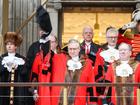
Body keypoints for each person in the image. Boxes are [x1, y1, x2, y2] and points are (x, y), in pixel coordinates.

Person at [51, 39, 97, 105]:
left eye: (74, 49)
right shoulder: (60, 59)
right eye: (70, 49)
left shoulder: (87, 63)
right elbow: (48, 54)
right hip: (63, 100)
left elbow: (91, 84)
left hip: (79, 101)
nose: (72, 51)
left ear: (79, 49)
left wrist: (91, 102)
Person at [30, 6, 53, 105]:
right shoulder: (34, 47)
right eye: (40, 29)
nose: (41, 31)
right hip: (39, 88)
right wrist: (34, 90)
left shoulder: (54, 50)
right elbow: (32, 71)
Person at [93, 27, 119, 105]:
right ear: (107, 38)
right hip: (105, 84)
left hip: (119, 83)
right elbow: (98, 70)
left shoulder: (122, 50)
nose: (113, 39)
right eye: (111, 37)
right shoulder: (101, 51)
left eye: (115, 37)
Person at [0, 32, 27, 105]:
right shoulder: (2, 58)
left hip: (17, 90)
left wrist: (18, 66)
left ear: (16, 46)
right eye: (7, 44)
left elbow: (25, 73)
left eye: (11, 44)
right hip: (3, 89)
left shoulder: (21, 59)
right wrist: (5, 67)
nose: (9, 46)